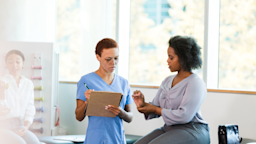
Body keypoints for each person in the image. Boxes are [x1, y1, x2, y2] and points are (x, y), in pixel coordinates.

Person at [132, 36, 210, 144]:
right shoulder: (167, 81)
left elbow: (184, 116)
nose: (167, 61)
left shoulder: (195, 83)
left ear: (183, 58)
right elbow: (156, 107)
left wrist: (154, 109)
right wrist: (143, 105)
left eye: (171, 57)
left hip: (193, 130)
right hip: (169, 128)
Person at [75, 38, 134, 144]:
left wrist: (121, 112)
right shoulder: (86, 81)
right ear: (98, 57)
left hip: (117, 139)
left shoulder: (123, 83)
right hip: (95, 139)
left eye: (116, 58)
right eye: (108, 59)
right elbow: (79, 117)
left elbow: (130, 117)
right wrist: (87, 102)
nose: (113, 63)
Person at [0, 50, 40, 144]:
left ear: (23, 64)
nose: (14, 65)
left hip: (20, 125)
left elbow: (30, 108)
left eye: (18, 62)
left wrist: (25, 127)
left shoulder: (28, 84)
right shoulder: (1, 81)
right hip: (3, 126)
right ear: (6, 64)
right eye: (10, 62)